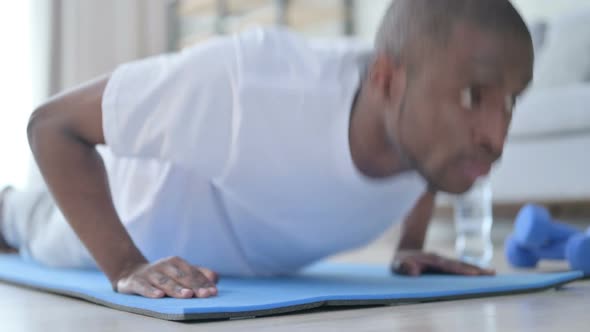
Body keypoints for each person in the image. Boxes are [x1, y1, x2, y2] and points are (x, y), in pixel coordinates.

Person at [0, 0, 533, 299]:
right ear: (388, 82)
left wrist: (409, 245)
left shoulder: (424, 129)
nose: (497, 137)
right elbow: (51, 126)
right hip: (122, 207)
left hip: (232, 253)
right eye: (473, 98)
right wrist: (124, 264)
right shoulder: (248, 82)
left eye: (510, 103)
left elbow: (423, 166)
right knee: (23, 223)